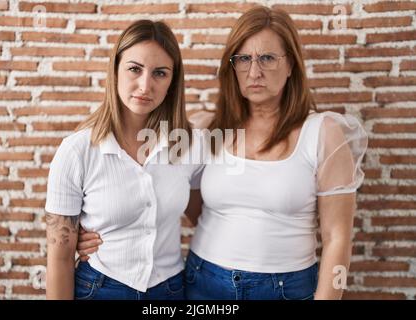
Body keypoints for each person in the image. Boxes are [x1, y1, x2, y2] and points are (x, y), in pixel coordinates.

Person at [77, 6, 368, 300]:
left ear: (291, 64)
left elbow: (337, 238)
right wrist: (94, 233)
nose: (254, 72)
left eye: (267, 58)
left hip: (285, 288)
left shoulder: (323, 133)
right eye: (243, 59)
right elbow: (158, 194)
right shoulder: (205, 130)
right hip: (202, 282)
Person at [45, 20, 204, 300]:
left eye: (160, 73)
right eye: (134, 69)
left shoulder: (188, 144)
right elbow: (59, 259)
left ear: (172, 82)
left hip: (170, 290)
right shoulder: (76, 151)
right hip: (100, 288)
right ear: (115, 70)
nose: (145, 85)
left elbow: (208, 215)